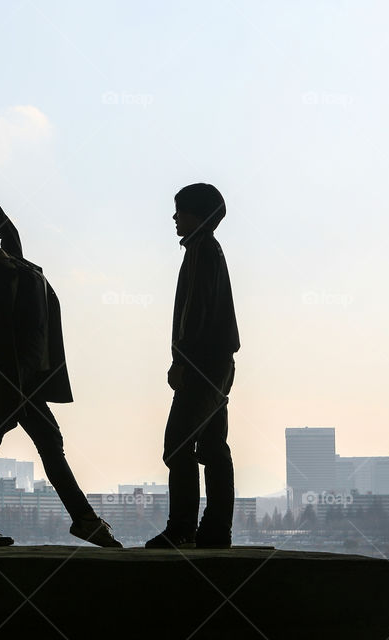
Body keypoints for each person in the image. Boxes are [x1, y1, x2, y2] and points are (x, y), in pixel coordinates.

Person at [0, 170, 121, 548]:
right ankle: (78, 521)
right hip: (10, 378)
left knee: (14, 445)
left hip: (12, 378)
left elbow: (6, 229)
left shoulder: (10, 268)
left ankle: (79, 520)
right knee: (0, 448)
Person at [145, 183, 240, 549]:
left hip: (201, 365)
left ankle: (182, 528)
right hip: (219, 364)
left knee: (177, 445)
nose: (174, 217)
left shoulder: (201, 251)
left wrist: (180, 360)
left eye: (180, 211)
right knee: (214, 446)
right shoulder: (208, 250)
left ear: (196, 215)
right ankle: (216, 531)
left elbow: (192, 314)